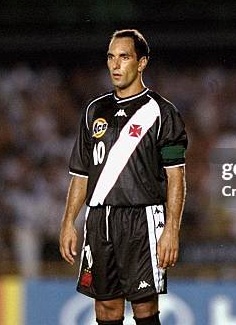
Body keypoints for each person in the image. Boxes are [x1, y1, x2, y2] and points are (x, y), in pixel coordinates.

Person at [60, 29, 188, 325]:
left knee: (144, 309)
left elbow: (176, 178)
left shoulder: (161, 112)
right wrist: (68, 222)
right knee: (106, 310)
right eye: (111, 57)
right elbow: (80, 174)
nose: (115, 65)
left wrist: (171, 229)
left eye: (124, 57)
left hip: (142, 220)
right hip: (100, 220)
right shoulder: (95, 110)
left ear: (142, 63)